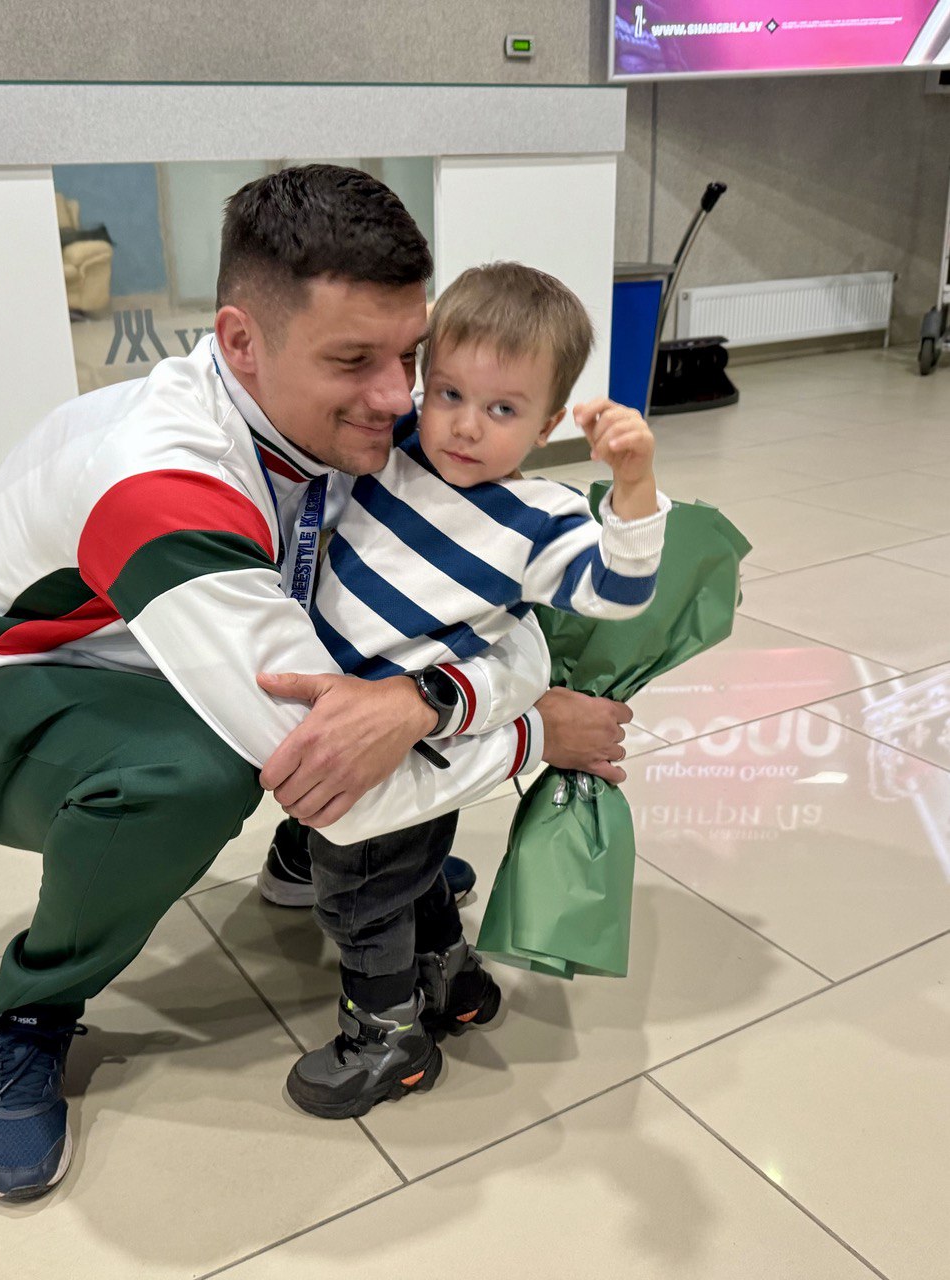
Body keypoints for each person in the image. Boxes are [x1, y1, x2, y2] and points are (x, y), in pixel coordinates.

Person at [0, 165, 633, 1201]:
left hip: (202, 658)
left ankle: (301, 865)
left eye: (407, 354)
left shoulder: (345, 423)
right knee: (197, 773)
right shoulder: (161, 481)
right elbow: (325, 770)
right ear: (241, 340)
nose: (398, 396)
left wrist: (432, 699)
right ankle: (29, 1009)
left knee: (393, 663)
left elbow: (499, 625)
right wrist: (531, 735)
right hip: (5, 701)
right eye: (352, 359)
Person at [270, 263, 669, 1119]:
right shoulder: (393, 452)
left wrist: (633, 488)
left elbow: (619, 592)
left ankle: (388, 1037)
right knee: (412, 875)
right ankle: (449, 978)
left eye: (502, 410)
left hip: (400, 748)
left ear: (548, 423)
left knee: (361, 898)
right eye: (447, 393)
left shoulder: (540, 519)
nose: (463, 425)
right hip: (362, 723)